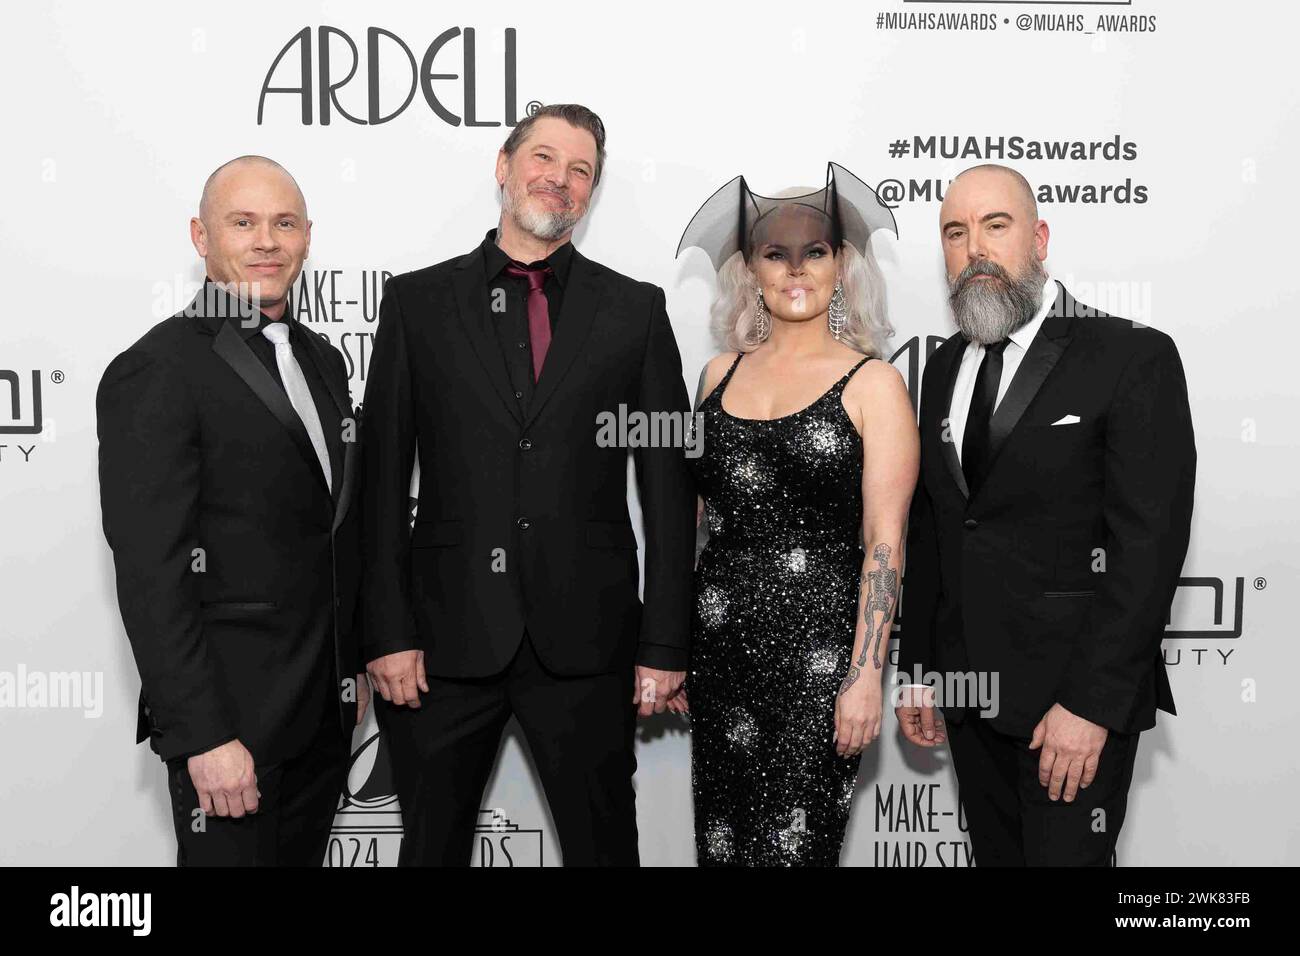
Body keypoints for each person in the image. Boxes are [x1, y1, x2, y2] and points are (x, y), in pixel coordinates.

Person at [359, 104, 696, 866]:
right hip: (441, 646)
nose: (560, 178)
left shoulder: (635, 312)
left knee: (605, 852)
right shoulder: (416, 304)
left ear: (592, 192)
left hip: (588, 645)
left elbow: (669, 491)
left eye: (581, 170)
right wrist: (386, 632)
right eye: (544, 157)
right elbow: (379, 481)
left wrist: (665, 641)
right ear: (504, 167)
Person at [895, 163, 1196, 866]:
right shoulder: (943, 368)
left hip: (1069, 710)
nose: (975, 250)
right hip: (971, 705)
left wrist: (1091, 705)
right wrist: (919, 670)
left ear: (1040, 237)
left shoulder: (1129, 356)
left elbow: (1146, 549)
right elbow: (938, 530)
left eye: (995, 226)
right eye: (955, 232)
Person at [96, 156, 366, 866]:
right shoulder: (157, 369)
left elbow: (332, 534)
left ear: (309, 237)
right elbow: (153, 576)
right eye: (242, 223)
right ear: (201, 237)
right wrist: (203, 737)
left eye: (284, 223)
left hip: (322, 719)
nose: (266, 242)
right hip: (230, 729)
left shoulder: (321, 360)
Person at [675, 164, 917, 865]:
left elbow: (884, 542)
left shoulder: (874, 383)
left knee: (794, 852)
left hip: (821, 659)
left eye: (814, 251)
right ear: (749, 271)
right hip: (721, 649)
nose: (795, 270)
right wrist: (673, 643)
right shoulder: (716, 376)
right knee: (724, 848)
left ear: (842, 265)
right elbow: (695, 523)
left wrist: (865, 673)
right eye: (773, 255)